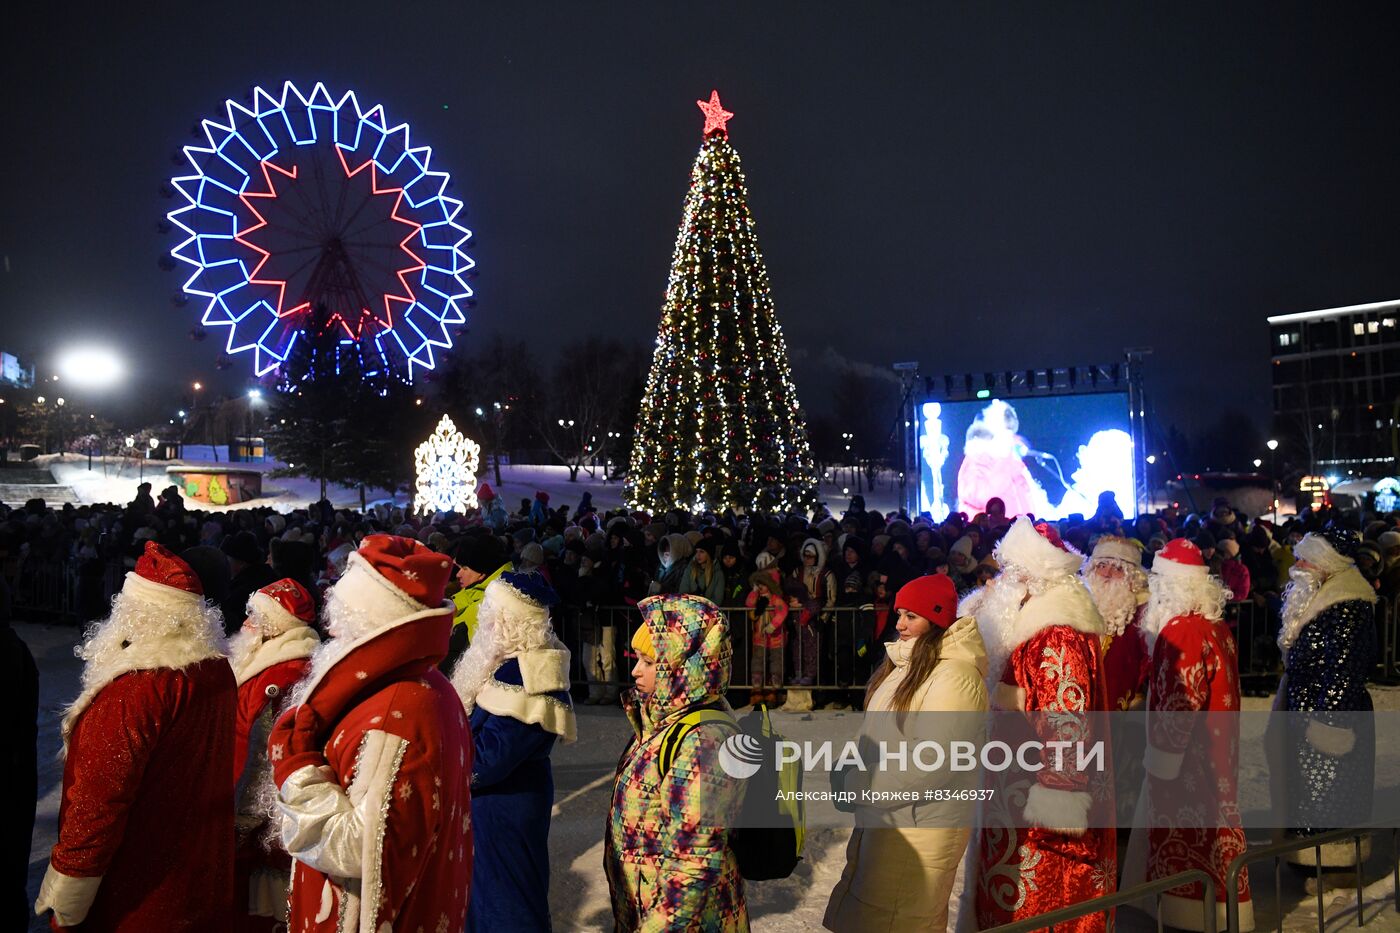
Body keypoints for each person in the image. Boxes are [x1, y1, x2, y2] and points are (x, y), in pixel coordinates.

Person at [268, 535, 472, 933]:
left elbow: (362, 848)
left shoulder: (395, 714)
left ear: (364, 617)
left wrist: (298, 770)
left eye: (341, 615)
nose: (330, 625)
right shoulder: (423, 685)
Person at [36, 542, 235, 931]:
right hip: (196, 880)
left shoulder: (135, 688)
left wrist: (69, 890)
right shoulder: (214, 670)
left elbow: (99, 800)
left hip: (136, 891)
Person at [960, 517, 1115, 933]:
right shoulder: (1038, 627)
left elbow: (1067, 718)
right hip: (1017, 789)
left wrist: (1058, 796)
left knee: (1047, 900)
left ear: (1030, 576)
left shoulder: (1055, 634)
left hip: (1036, 805)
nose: (1003, 580)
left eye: (1011, 571)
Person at [823, 574, 989, 932]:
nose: (899, 624)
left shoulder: (955, 677)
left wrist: (859, 783)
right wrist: (848, 766)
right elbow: (879, 733)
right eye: (899, 614)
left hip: (918, 830)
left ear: (937, 619)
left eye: (911, 616)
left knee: (898, 921)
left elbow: (932, 762)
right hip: (888, 821)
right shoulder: (907, 666)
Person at [1123, 539, 1251, 931]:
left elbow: (1181, 701)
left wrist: (1162, 761)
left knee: (1189, 847)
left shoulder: (1180, 631)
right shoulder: (1214, 626)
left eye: (1158, 582)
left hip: (1186, 766)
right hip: (1216, 754)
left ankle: (1190, 919)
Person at [604, 594, 748, 931]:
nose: (635, 670)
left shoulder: (703, 742)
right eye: (636, 658)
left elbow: (693, 865)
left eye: (649, 662)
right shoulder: (663, 721)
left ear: (682, 668)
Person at [451, 572, 576, 931]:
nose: (481, 620)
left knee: (507, 904)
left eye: (489, 612)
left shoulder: (530, 676)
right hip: (487, 809)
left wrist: (442, 754)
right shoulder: (502, 664)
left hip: (504, 810)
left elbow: (490, 759)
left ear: (509, 622)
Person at [1272, 528, 1378, 869]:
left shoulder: (1347, 604)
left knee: (1331, 791)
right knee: (1305, 791)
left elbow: (1345, 670)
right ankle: (1305, 857)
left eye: (1305, 558)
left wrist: (1329, 725)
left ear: (1325, 562)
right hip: (1305, 710)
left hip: (1329, 718)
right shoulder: (1321, 594)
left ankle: (1332, 864)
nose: (1297, 565)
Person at [227, 578, 321, 932]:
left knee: (254, 903)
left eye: (254, 616)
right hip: (242, 795)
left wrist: (246, 815)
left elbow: (266, 753)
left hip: (257, 811)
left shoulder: (284, 671)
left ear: (273, 626)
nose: (246, 623)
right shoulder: (269, 660)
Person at [1081, 536, 1150, 711]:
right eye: (1101, 566)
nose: (1106, 574)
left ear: (1132, 578)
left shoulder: (1143, 615)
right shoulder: (1077, 607)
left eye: (1118, 568)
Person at [442, 533, 510, 673]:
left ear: (482, 571)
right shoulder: (470, 593)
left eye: (465, 568)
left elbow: (481, 665)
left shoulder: (489, 606)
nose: (458, 574)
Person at [221, 532, 279, 636]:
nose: (224, 563)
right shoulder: (264, 575)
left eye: (228, 559)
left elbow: (232, 624)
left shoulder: (245, 588)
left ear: (241, 562)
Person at [746, 566, 788, 706]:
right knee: (758, 663)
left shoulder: (776, 600)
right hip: (760, 638)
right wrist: (753, 592)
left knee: (775, 664)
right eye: (759, 584)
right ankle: (757, 691)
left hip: (776, 639)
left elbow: (782, 611)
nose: (760, 587)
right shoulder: (758, 599)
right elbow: (749, 604)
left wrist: (772, 625)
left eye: (763, 584)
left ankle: (773, 692)